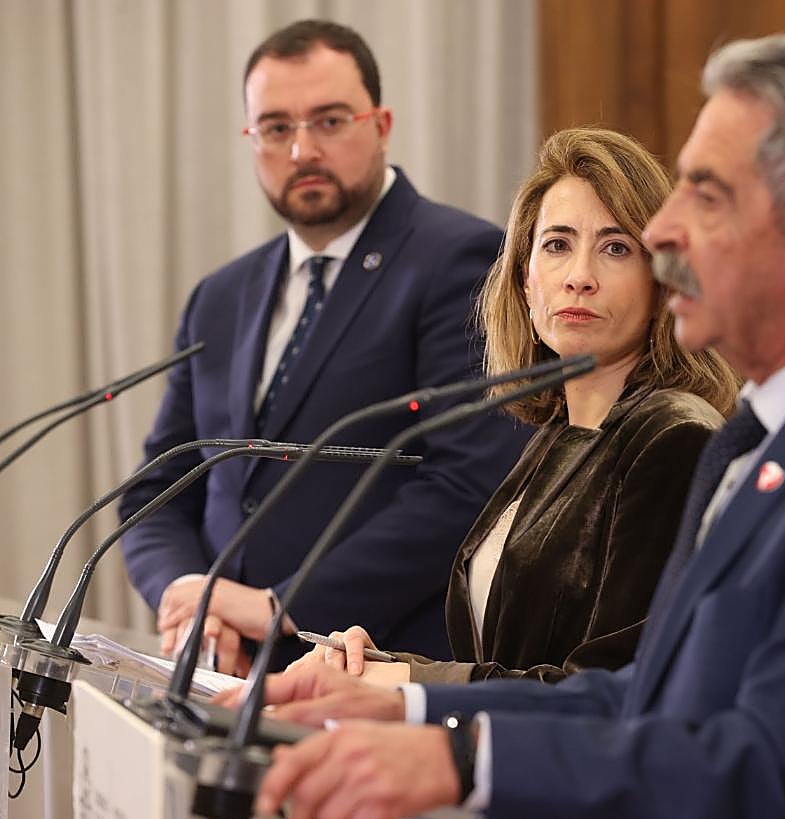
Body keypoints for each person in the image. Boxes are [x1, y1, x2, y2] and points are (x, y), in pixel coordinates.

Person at [245, 29, 785, 819]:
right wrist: (410, 703)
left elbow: (771, 768)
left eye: (706, 194)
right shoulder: (759, 438)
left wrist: (463, 761)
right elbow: (645, 697)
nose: (663, 233)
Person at [118, 19, 530, 674]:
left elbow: (468, 482)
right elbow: (157, 492)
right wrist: (190, 599)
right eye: (277, 128)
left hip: (372, 669)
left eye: (330, 121)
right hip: (217, 674)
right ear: (251, 140)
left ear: (382, 123)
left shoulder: (460, 260)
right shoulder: (219, 297)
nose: (303, 150)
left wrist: (284, 606)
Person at [284, 128, 740, 686]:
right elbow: (515, 661)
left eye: (616, 248)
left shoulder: (675, 437)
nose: (579, 278)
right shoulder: (557, 434)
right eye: (557, 245)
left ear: (662, 283)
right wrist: (381, 667)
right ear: (526, 282)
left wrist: (407, 687)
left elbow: (615, 690)